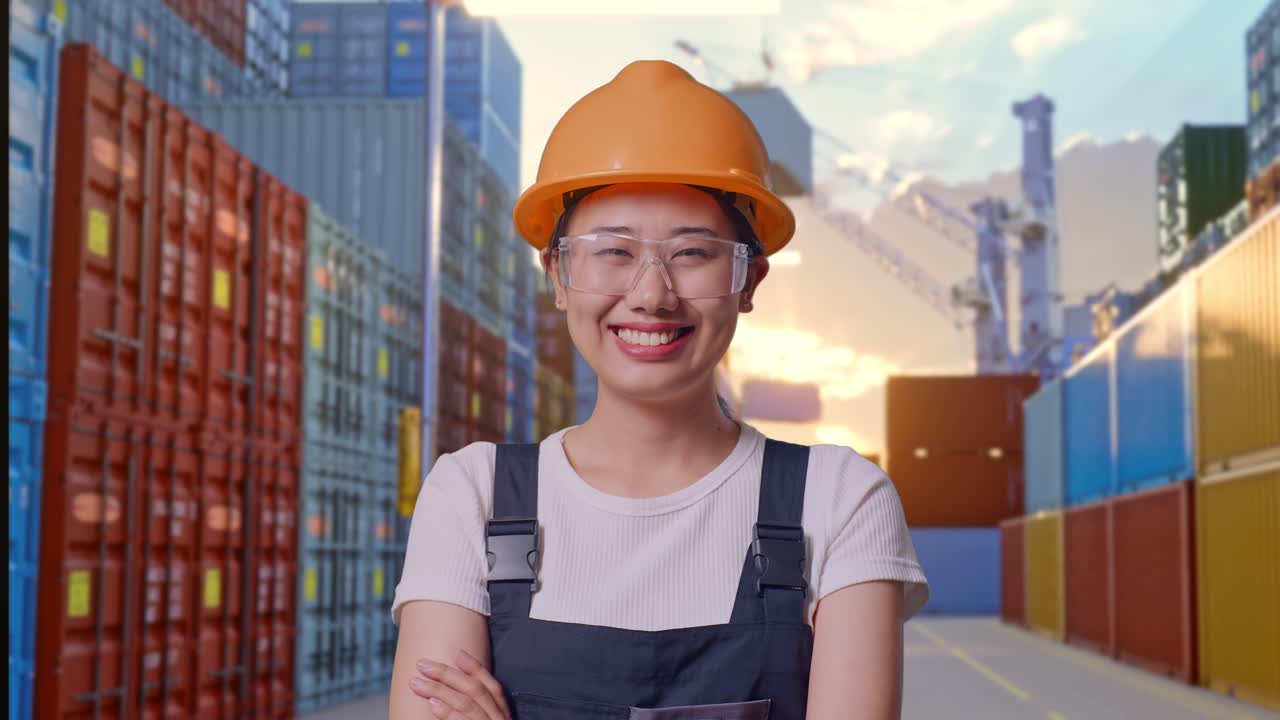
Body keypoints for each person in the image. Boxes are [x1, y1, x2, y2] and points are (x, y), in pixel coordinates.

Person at [388, 60, 929, 720]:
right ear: (556, 274)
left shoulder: (841, 501)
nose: (650, 296)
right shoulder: (468, 496)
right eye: (613, 252)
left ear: (750, 281)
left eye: (693, 253)